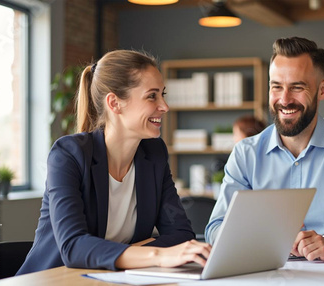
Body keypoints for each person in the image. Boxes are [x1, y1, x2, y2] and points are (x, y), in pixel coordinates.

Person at [17, 50, 211, 275]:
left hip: (109, 279)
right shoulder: (69, 154)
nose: (164, 106)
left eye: (163, 94)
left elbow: (181, 235)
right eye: (152, 96)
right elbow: (73, 247)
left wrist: (126, 254)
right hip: (53, 279)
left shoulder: (154, 154)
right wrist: (156, 254)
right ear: (115, 103)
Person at [206, 37, 324, 261]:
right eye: (276, 87)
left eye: (297, 87)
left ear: (322, 90)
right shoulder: (246, 153)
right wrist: (263, 239)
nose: (284, 99)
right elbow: (215, 228)